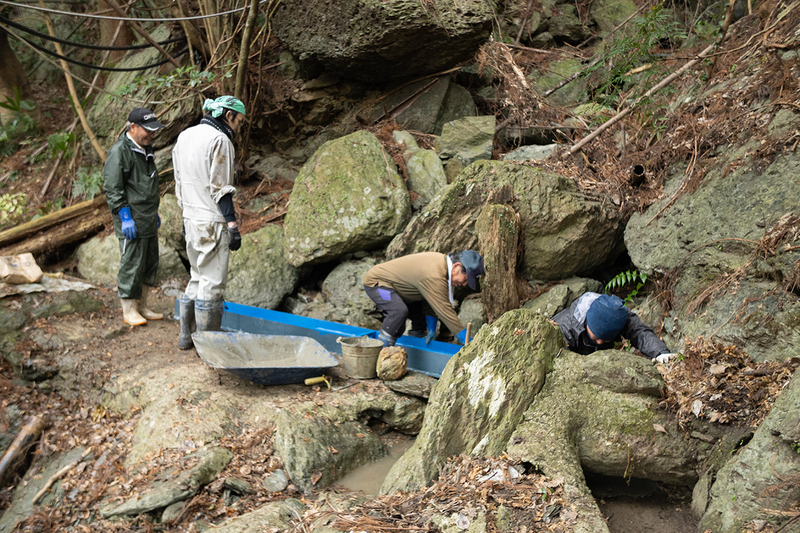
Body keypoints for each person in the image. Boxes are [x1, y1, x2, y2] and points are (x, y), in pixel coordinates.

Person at [172, 96, 246, 350]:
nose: (239, 128)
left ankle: (186, 336)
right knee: (212, 282)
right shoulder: (220, 140)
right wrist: (232, 224)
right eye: (240, 122)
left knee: (196, 276)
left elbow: (178, 182)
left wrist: (184, 215)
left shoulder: (185, 136)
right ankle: (208, 344)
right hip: (211, 221)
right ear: (228, 116)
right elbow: (221, 188)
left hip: (190, 217)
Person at [103, 107, 165, 326]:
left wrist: (154, 211)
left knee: (149, 262)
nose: (152, 134)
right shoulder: (120, 151)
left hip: (148, 216)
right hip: (131, 218)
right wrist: (124, 215)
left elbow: (146, 184)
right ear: (133, 127)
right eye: (148, 130)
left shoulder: (145, 148)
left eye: (154, 130)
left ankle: (142, 305)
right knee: (132, 262)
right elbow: (113, 187)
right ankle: (128, 309)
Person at [363, 250, 485, 347]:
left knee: (419, 316)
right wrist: (467, 340)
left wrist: (431, 329)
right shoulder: (435, 275)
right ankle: (382, 351)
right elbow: (445, 311)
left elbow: (431, 301)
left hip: (401, 291)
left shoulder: (442, 266)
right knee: (397, 312)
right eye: (466, 278)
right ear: (457, 267)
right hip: (378, 284)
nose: (464, 284)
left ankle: (416, 346)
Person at [551, 292, 678, 364]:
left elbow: (639, 332)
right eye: (596, 337)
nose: (600, 342)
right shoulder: (562, 329)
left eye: (606, 339)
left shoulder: (617, 314)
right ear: (587, 322)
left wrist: (661, 353)